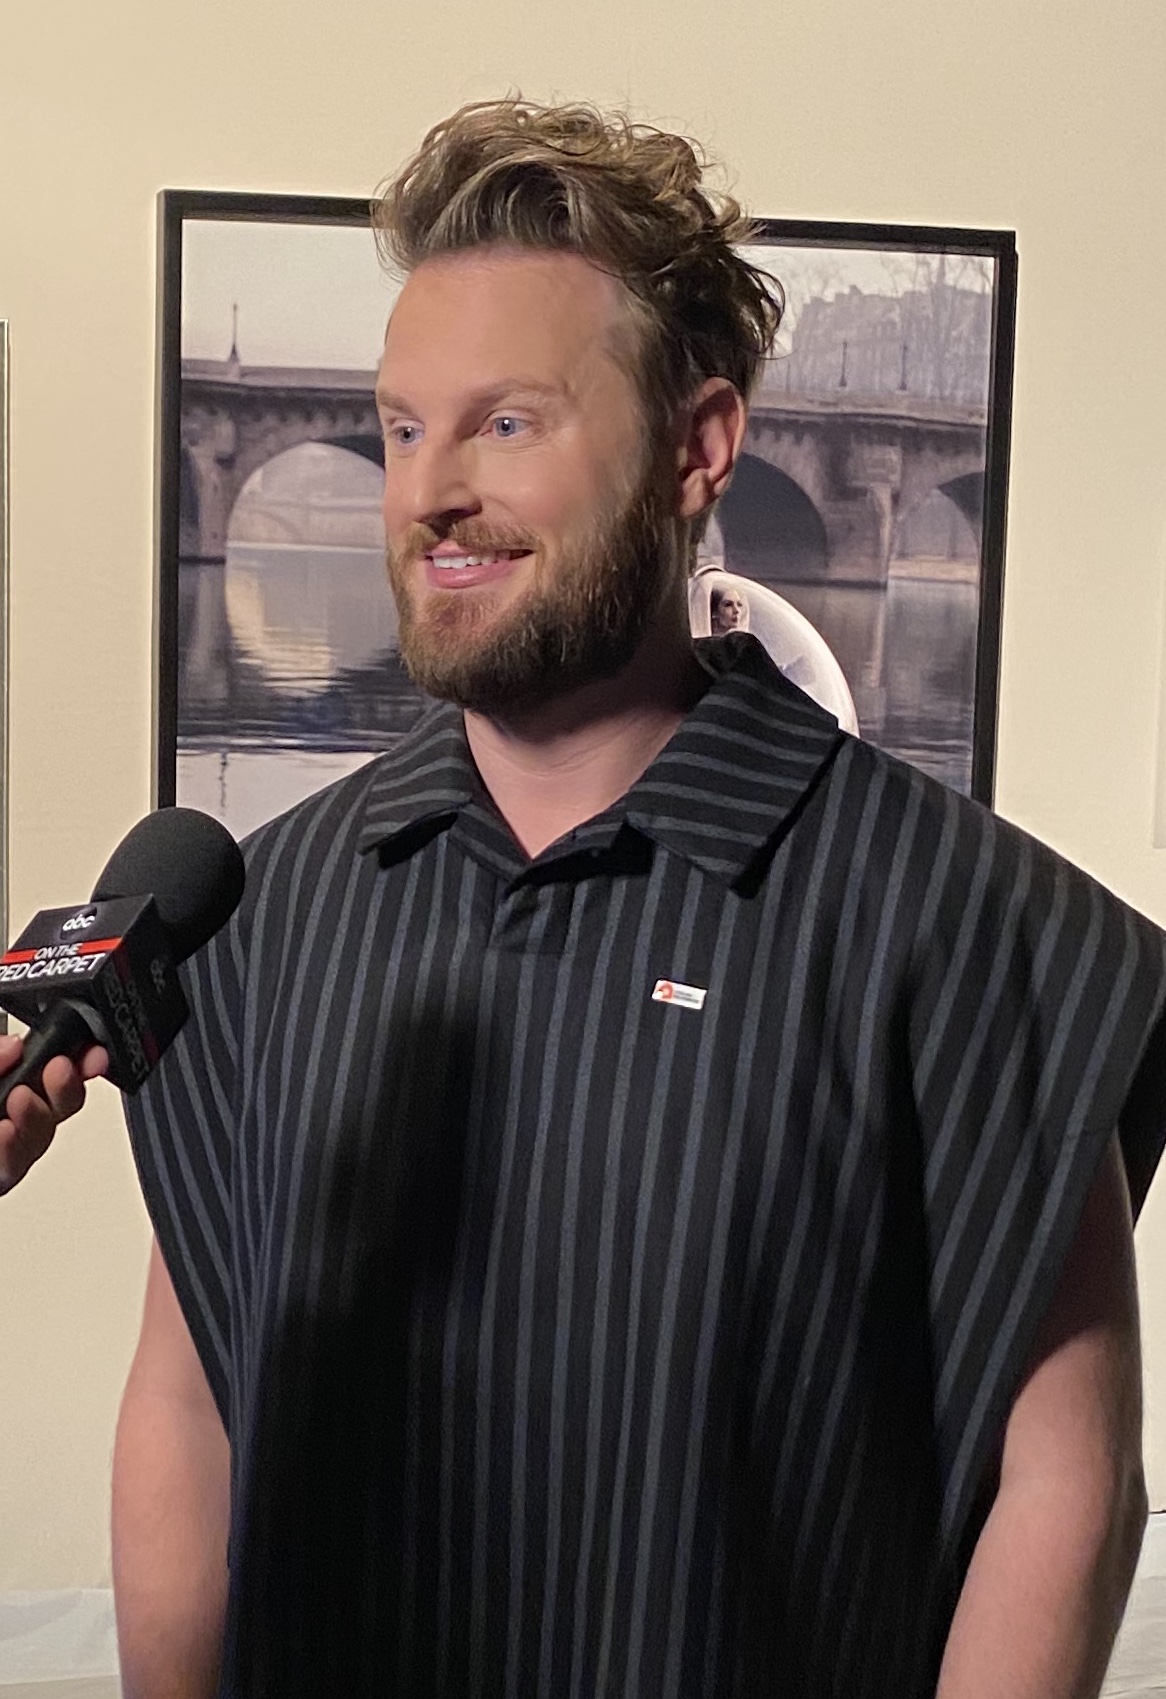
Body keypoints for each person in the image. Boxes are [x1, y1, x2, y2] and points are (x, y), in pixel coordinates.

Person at [111, 100, 1166, 1699]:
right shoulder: (267, 911)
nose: (430, 491)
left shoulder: (970, 927)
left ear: (698, 448)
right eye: (401, 428)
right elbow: (188, 1399)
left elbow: (1066, 1481)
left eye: (505, 423)